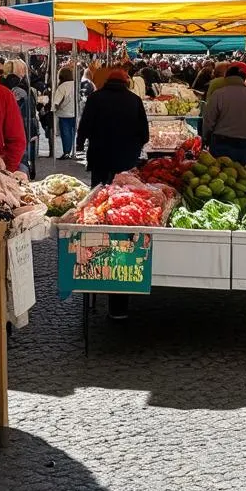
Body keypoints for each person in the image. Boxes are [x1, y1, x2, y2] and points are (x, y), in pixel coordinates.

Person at [76, 67, 150, 321]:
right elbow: (144, 134)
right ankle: (121, 276)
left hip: (100, 161)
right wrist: (133, 148)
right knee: (123, 215)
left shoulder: (96, 99)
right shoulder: (134, 100)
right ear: (127, 82)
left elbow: (83, 127)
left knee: (100, 209)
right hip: (125, 163)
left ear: (107, 82)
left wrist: (78, 146)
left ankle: (97, 265)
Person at [202, 66, 246, 165]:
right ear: (243, 79)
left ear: (226, 78)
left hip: (220, 144)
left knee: (220, 175)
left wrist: (205, 139)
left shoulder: (218, 94)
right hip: (245, 147)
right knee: (239, 176)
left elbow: (208, 121)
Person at [1, 59, 41, 173]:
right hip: (22, 126)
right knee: (21, 159)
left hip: (18, 126)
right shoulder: (18, 86)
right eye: (23, 69)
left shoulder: (4, 84)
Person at [52, 66, 77, 160]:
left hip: (64, 113)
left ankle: (67, 152)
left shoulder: (62, 87)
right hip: (75, 112)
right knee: (73, 132)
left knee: (66, 133)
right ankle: (72, 150)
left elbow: (56, 102)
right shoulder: (76, 84)